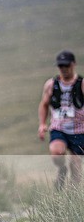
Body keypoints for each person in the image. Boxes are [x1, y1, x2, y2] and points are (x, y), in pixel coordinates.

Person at [38, 50, 84, 189]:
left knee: (76, 165)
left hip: (79, 129)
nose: (64, 69)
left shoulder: (81, 84)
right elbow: (44, 104)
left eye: (66, 65)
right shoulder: (51, 85)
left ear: (73, 64)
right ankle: (62, 169)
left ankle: (72, 196)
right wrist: (42, 124)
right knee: (56, 153)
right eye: (61, 66)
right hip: (59, 127)